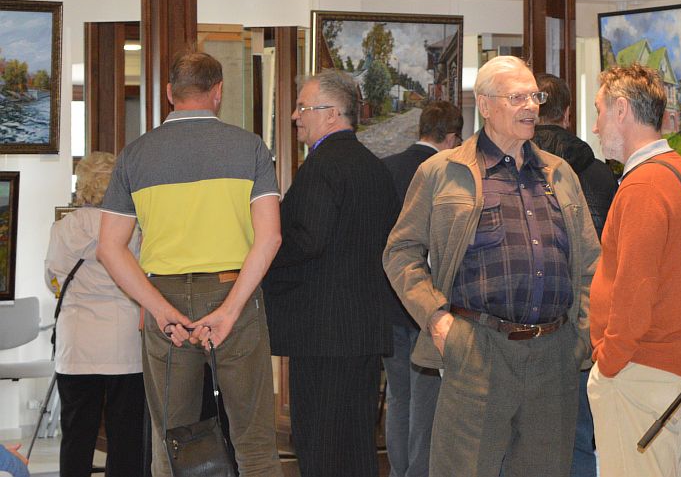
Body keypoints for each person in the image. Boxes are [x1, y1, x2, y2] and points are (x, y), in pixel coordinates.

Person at [384, 55, 600, 477]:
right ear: (484, 105)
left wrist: (581, 336)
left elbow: (592, 263)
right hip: (477, 349)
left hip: (554, 355)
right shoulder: (441, 172)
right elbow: (401, 251)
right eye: (517, 97)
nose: (531, 107)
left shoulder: (560, 173)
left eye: (534, 97)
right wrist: (437, 319)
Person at [98, 51, 283, 477]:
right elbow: (270, 237)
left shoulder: (134, 155)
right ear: (218, 92)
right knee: (254, 443)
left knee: (172, 442)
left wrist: (158, 308)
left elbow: (109, 247)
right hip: (233, 292)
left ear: (169, 93)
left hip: (164, 299)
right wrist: (230, 310)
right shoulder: (250, 147)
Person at [587, 63, 681, 477]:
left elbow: (634, 292)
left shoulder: (642, 186)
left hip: (640, 376)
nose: (596, 126)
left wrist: (610, 361)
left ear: (622, 109)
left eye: (599, 111)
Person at [262, 69, 400, 477]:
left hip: (322, 334)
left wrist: (264, 251)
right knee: (356, 445)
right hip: (363, 330)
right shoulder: (375, 168)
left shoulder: (322, 166)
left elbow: (306, 240)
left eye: (302, 107)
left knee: (320, 446)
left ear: (332, 113)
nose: (295, 116)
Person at [532, 72, 617, 477]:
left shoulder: (509, 170)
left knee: (520, 441)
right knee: (581, 438)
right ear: (567, 114)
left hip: (524, 327)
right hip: (585, 322)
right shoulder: (600, 174)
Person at [46, 152, 146, 477]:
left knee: (76, 435)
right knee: (126, 437)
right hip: (124, 343)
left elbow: (53, 278)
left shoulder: (63, 228)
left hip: (77, 345)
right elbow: (144, 277)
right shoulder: (132, 229)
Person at [381, 100, 463, 477]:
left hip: (390, 300)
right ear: (452, 137)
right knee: (426, 402)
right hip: (427, 306)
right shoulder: (446, 173)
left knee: (398, 397)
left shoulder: (387, 168)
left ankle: (399, 471)